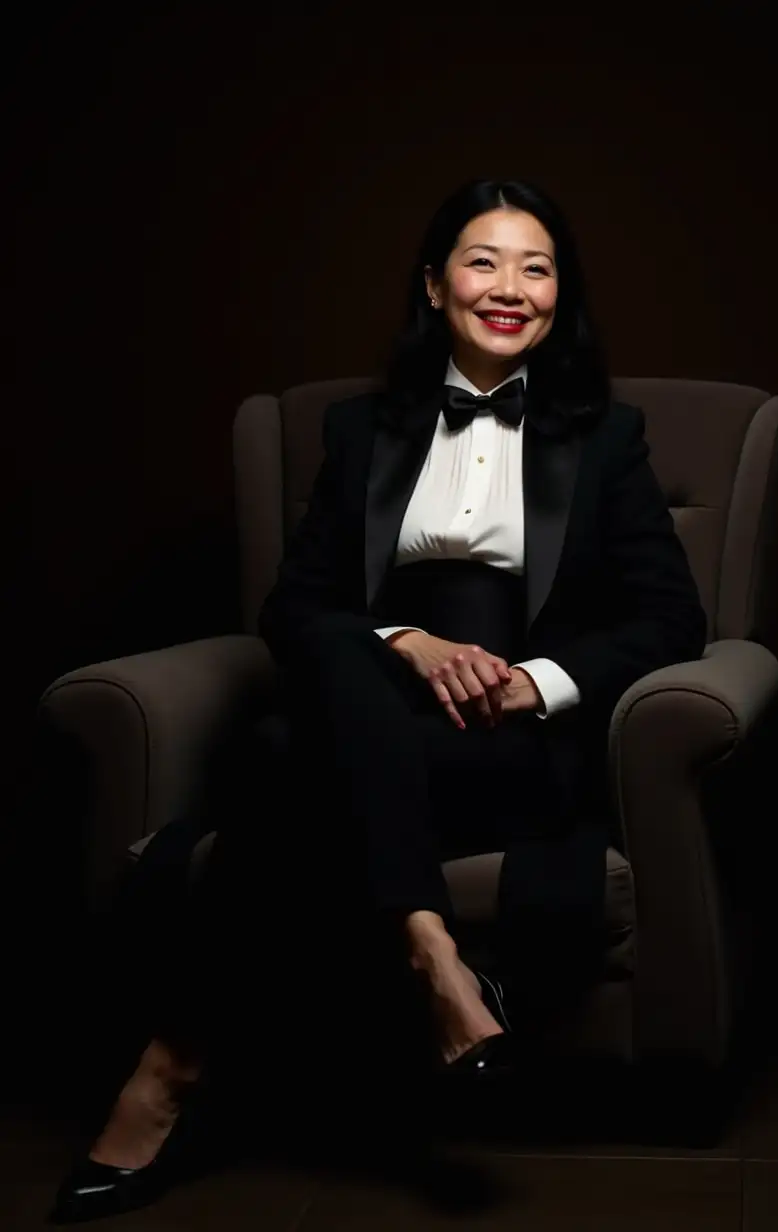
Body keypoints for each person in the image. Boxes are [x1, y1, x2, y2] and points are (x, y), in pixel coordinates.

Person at [50, 178, 707, 1222]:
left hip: (508, 741)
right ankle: (431, 947)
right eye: (483, 261)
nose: (509, 287)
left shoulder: (606, 438)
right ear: (435, 283)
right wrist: (409, 641)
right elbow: (296, 606)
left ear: (558, 296)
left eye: (535, 267)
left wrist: (529, 683)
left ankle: (169, 1068)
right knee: (345, 651)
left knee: (278, 760)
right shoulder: (361, 432)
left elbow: (672, 618)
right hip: (375, 712)